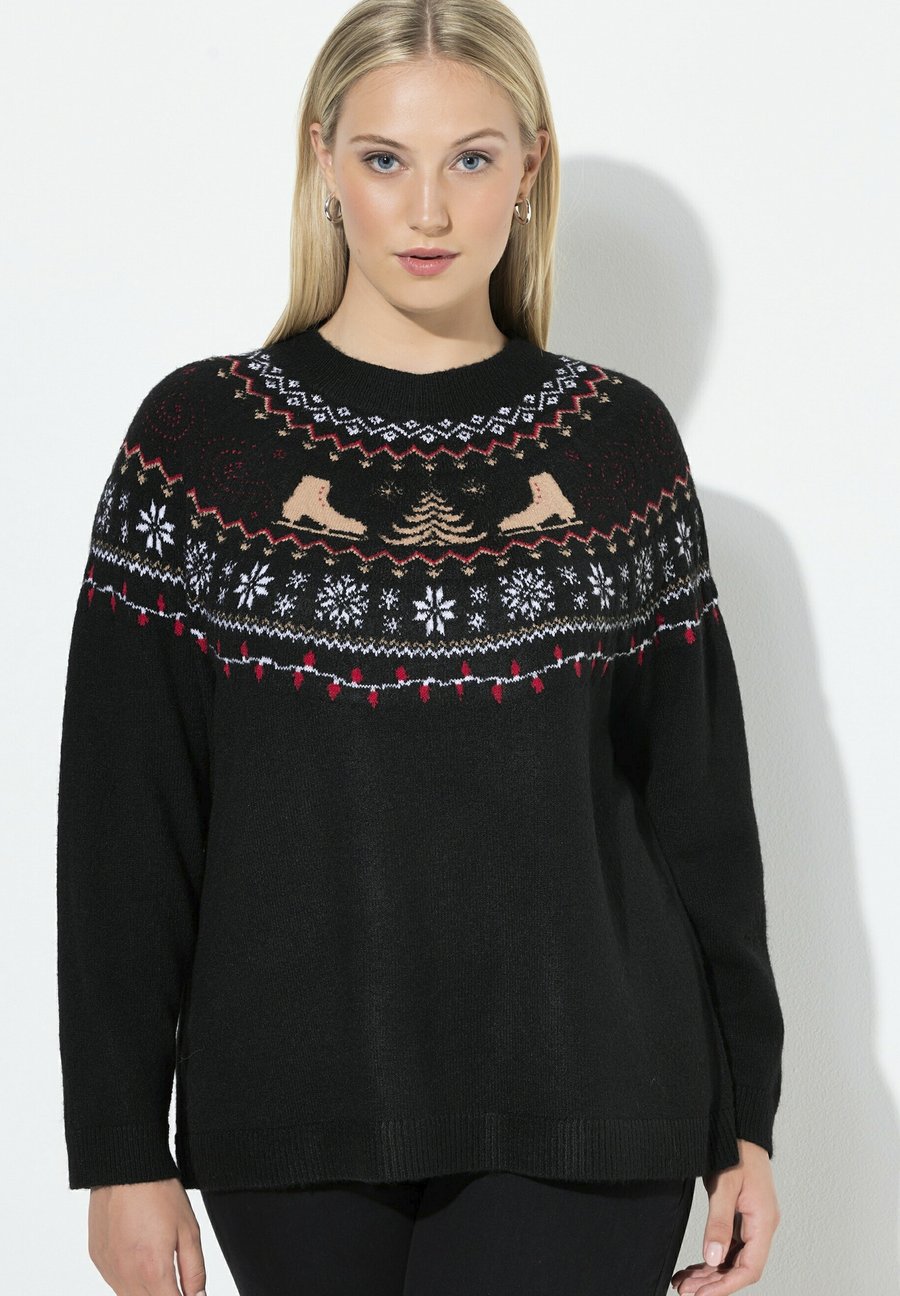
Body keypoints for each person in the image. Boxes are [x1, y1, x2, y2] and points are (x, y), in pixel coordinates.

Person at [55, 1, 785, 1293]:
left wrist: (747, 1122)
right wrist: (119, 1149)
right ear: (324, 160)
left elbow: (702, 812)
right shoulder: (199, 445)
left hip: (589, 1099)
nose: (430, 209)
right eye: (387, 158)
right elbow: (126, 820)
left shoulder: (619, 446)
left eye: (473, 158)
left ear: (530, 168)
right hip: (288, 1117)